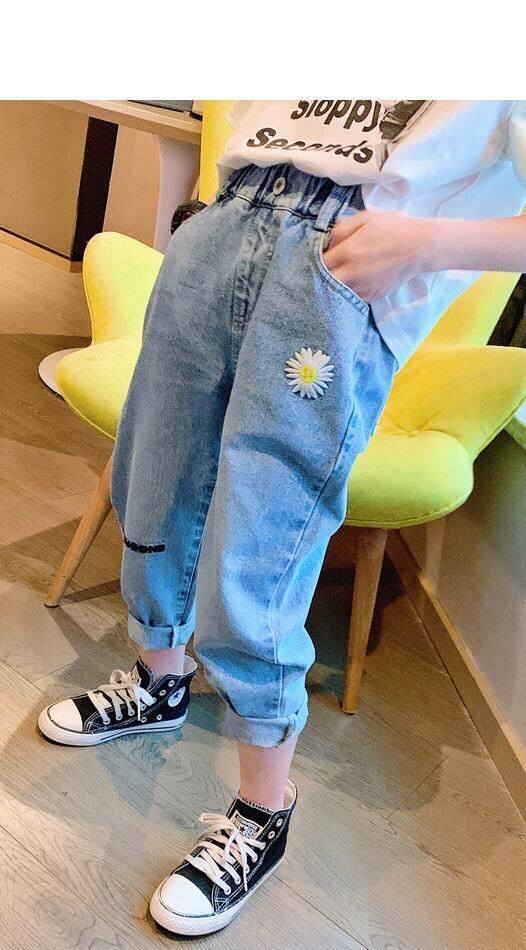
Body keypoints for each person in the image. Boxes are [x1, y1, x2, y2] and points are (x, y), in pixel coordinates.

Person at [38, 100, 526, 936]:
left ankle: (263, 813)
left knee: (260, 542)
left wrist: (424, 244)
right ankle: (158, 682)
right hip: (226, 223)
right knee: (154, 477)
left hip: (338, 269)